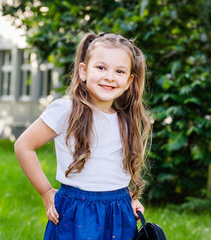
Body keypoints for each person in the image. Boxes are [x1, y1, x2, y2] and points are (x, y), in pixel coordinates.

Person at [14, 32, 152, 240]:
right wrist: (46, 192)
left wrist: (131, 198)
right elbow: (24, 145)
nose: (110, 77)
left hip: (119, 212)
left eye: (120, 71)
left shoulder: (125, 119)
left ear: (129, 81)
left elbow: (115, 168)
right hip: (75, 211)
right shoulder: (65, 110)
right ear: (83, 71)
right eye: (101, 67)